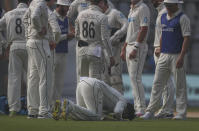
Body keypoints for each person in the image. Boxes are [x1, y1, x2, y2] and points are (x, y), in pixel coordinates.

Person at [141, 0, 191, 120]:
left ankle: (181, 113)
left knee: (180, 85)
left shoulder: (183, 18)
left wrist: (182, 56)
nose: (167, 7)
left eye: (169, 5)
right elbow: (162, 34)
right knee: (157, 84)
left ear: (176, 5)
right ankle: (150, 111)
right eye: (166, 5)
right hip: (164, 55)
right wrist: (160, 47)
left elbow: (186, 38)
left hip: (177, 55)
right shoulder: (163, 17)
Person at [67, 0, 114, 83]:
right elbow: (105, 39)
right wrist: (110, 55)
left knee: (81, 79)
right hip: (95, 49)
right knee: (94, 81)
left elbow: (77, 34)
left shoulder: (80, 14)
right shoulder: (103, 17)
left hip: (82, 48)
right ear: (100, 3)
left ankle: (80, 96)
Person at [53, 77, 135, 121]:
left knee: (82, 114)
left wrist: (108, 118)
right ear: (127, 108)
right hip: (93, 85)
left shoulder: (112, 106)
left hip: (82, 83)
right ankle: (69, 105)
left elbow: (104, 116)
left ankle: (60, 108)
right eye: (127, 115)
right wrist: (120, 119)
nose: (125, 116)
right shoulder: (124, 101)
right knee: (96, 117)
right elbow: (118, 112)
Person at [0, 0, 31, 117]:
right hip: (28, 45)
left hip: (14, 45)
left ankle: (13, 108)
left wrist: (3, 43)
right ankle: (31, 107)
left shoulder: (9, 14)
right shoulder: (31, 12)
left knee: (14, 78)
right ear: (28, 1)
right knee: (30, 77)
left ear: (17, 1)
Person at [23, 0, 53, 119]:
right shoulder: (41, 3)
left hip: (32, 41)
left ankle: (32, 110)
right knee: (45, 76)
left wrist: (28, 34)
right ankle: (44, 111)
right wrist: (39, 29)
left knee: (33, 77)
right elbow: (34, 16)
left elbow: (25, 19)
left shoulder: (33, 3)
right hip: (39, 42)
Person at [120, 0, 150, 117]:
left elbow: (144, 29)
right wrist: (124, 48)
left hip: (138, 47)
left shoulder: (143, 8)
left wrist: (136, 47)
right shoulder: (132, 8)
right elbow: (130, 31)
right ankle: (138, 106)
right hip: (129, 46)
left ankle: (141, 108)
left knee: (135, 78)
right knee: (133, 79)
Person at [151, 0, 175, 119]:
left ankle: (167, 110)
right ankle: (167, 109)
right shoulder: (162, 11)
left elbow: (167, 30)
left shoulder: (164, 11)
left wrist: (161, 47)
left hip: (162, 49)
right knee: (166, 80)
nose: (151, 1)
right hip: (162, 48)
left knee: (166, 81)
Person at [102, 0, 128, 94]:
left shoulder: (114, 13)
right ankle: (107, 104)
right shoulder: (97, 15)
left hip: (115, 50)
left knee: (115, 77)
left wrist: (116, 36)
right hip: (103, 51)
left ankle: (120, 101)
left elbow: (126, 24)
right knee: (104, 78)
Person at [51, 0, 74, 103]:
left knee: (59, 82)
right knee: (51, 80)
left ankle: (56, 104)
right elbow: (52, 37)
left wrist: (71, 35)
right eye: (66, 7)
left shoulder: (66, 19)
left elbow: (67, 34)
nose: (68, 9)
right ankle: (48, 104)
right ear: (59, 6)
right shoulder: (52, 17)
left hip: (63, 52)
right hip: (53, 53)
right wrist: (67, 36)